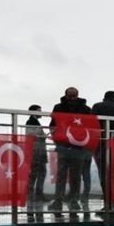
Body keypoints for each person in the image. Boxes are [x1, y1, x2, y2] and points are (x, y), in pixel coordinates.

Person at [49, 87, 91, 215]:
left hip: (77, 146)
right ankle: (61, 200)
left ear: (77, 95)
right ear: (66, 95)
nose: (72, 99)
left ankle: (71, 200)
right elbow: (53, 125)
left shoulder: (85, 109)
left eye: (74, 96)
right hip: (68, 146)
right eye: (70, 96)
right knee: (64, 175)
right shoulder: (60, 107)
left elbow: (90, 126)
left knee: (74, 175)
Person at [25, 104, 48, 202]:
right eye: (39, 110)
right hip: (37, 151)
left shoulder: (33, 121)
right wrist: (43, 136)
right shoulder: (31, 122)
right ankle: (36, 194)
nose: (41, 112)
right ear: (34, 112)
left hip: (37, 150)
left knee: (36, 173)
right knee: (38, 173)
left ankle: (33, 193)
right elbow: (31, 135)